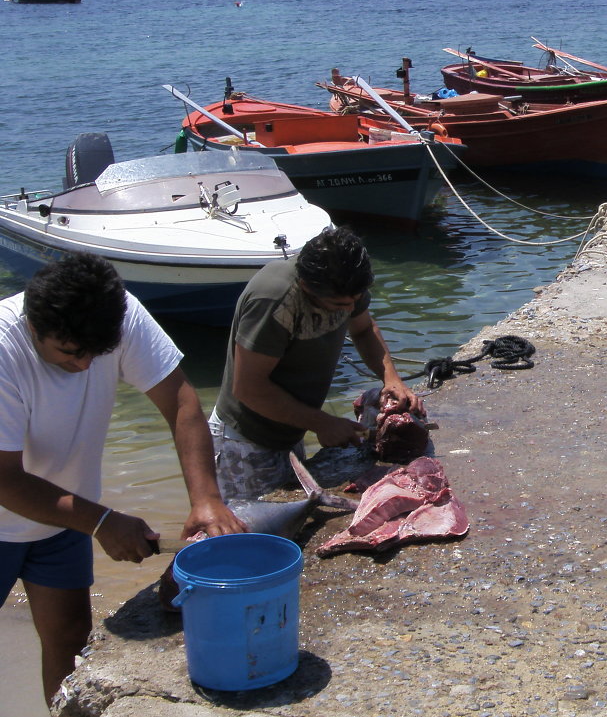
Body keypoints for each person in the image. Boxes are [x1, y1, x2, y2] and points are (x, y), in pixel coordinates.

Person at [0, 253, 245, 705]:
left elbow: (182, 402)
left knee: (72, 639)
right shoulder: (3, 347)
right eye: (71, 353)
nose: (85, 366)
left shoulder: (118, 313)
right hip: (19, 505)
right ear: (34, 327)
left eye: (98, 353)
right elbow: (6, 481)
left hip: (62, 517)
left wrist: (206, 499)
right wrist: (102, 522)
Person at [212, 225, 423, 501]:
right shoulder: (275, 299)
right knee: (249, 534)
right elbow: (248, 388)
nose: (349, 310)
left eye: (355, 301)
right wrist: (322, 423)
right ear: (305, 288)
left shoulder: (347, 284)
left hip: (291, 430)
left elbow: (362, 329)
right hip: (245, 440)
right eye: (338, 305)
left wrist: (391, 378)